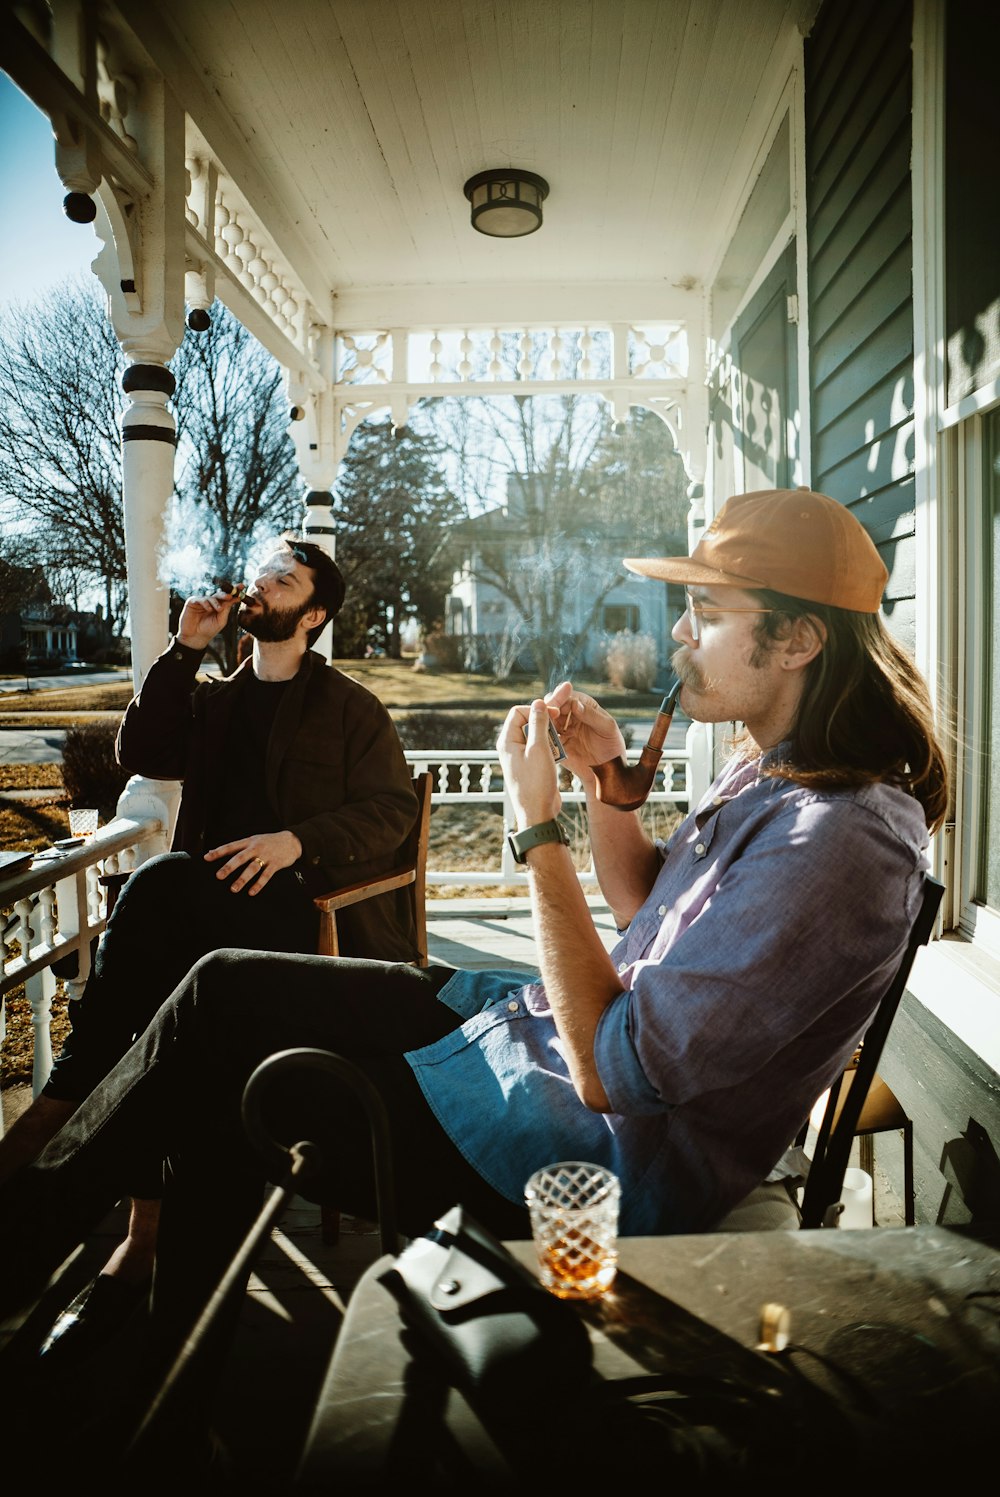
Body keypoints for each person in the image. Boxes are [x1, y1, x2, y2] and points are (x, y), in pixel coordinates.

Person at [0, 488, 948, 1478]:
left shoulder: (837, 836)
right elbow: (648, 914)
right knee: (214, 988)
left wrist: (535, 830)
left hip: (571, 1155)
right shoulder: (778, 774)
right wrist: (606, 786)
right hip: (523, 1044)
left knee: (221, 1046)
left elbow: (612, 1073)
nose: (677, 632)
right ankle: (152, 1387)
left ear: (796, 639)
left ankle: (61, 1295)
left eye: (709, 615)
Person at [0, 535, 419, 1365]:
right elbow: (142, 754)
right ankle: (147, 1269)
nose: (262, 583)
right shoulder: (216, 698)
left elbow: (391, 813)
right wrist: (185, 648)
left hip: (299, 923)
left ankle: (76, 1114)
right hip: (206, 924)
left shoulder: (349, 708)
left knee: (159, 895)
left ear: (315, 613)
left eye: (285, 578)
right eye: (262, 570)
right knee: (179, 1015)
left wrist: (296, 842)